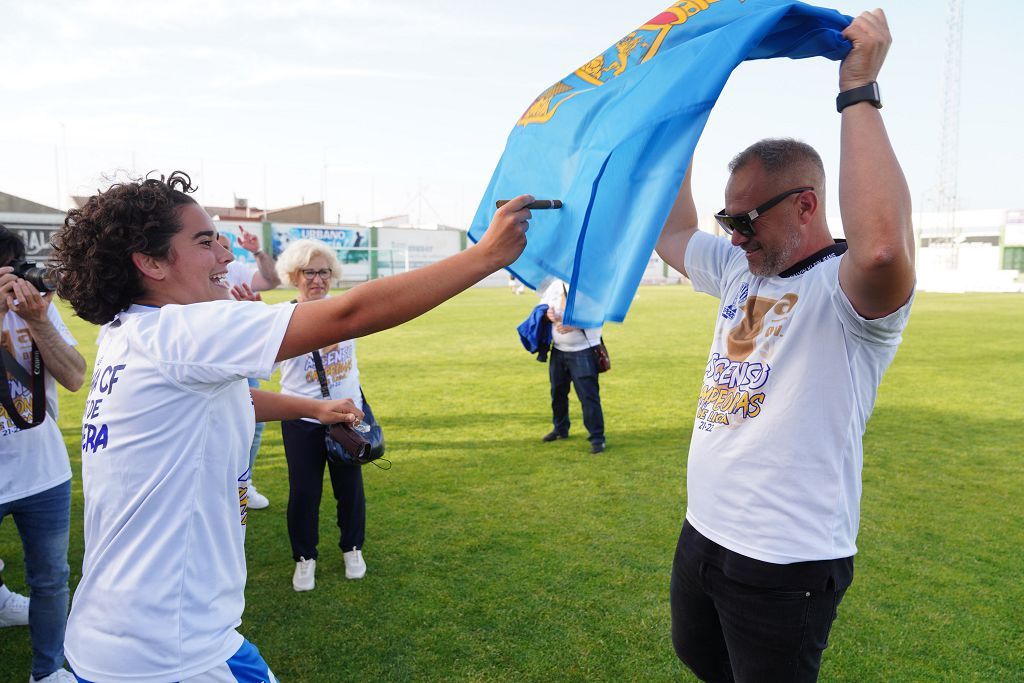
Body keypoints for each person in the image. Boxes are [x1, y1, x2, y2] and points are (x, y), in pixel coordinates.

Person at [51, 171, 531, 682]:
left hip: (129, 635)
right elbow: (350, 312)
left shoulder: (129, 333)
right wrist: (487, 256)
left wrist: (312, 408)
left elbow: (221, 403)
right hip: (171, 653)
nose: (225, 257)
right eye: (204, 242)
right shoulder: (181, 330)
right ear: (150, 263)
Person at [654, 10, 915, 681]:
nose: (733, 235)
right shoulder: (744, 266)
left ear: (805, 205)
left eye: (746, 219)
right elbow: (672, 233)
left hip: (784, 560)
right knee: (701, 659)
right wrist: (677, 117)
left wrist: (857, 89)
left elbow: (884, 245)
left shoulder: (847, 291)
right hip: (704, 530)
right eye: (727, 218)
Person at [0, 226, 86, 683]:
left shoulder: (36, 311)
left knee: (51, 579)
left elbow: (74, 377)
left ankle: (48, 670)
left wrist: (36, 322)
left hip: (43, 473)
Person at [272, 239, 371, 591]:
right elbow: (261, 364)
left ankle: (352, 548)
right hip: (301, 417)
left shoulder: (345, 308)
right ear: (293, 276)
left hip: (346, 415)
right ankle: (304, 558)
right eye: (309, 272)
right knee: (304, 491)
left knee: (350, 488)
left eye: (324, 272)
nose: (317, 279)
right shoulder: (280, 318)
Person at [219, 227, 283, 511]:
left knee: (252, 426)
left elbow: (272, 279)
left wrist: (257, 251)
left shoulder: (234, 269)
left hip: (241, 364)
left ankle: (242, 485)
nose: (223, 255)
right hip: (211, 362)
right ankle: (223, 487)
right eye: (209, 244)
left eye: (224, 247)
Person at [539, 279, 606, 454]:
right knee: (557, 393)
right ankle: (560, 429)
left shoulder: (590, 286)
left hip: (583, 350)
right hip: (558, 350)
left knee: (588, 396)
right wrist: (548, 316)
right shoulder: (555, 285)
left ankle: (597, 437)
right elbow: (543, 307)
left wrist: (573, 324)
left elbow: (599, 315)